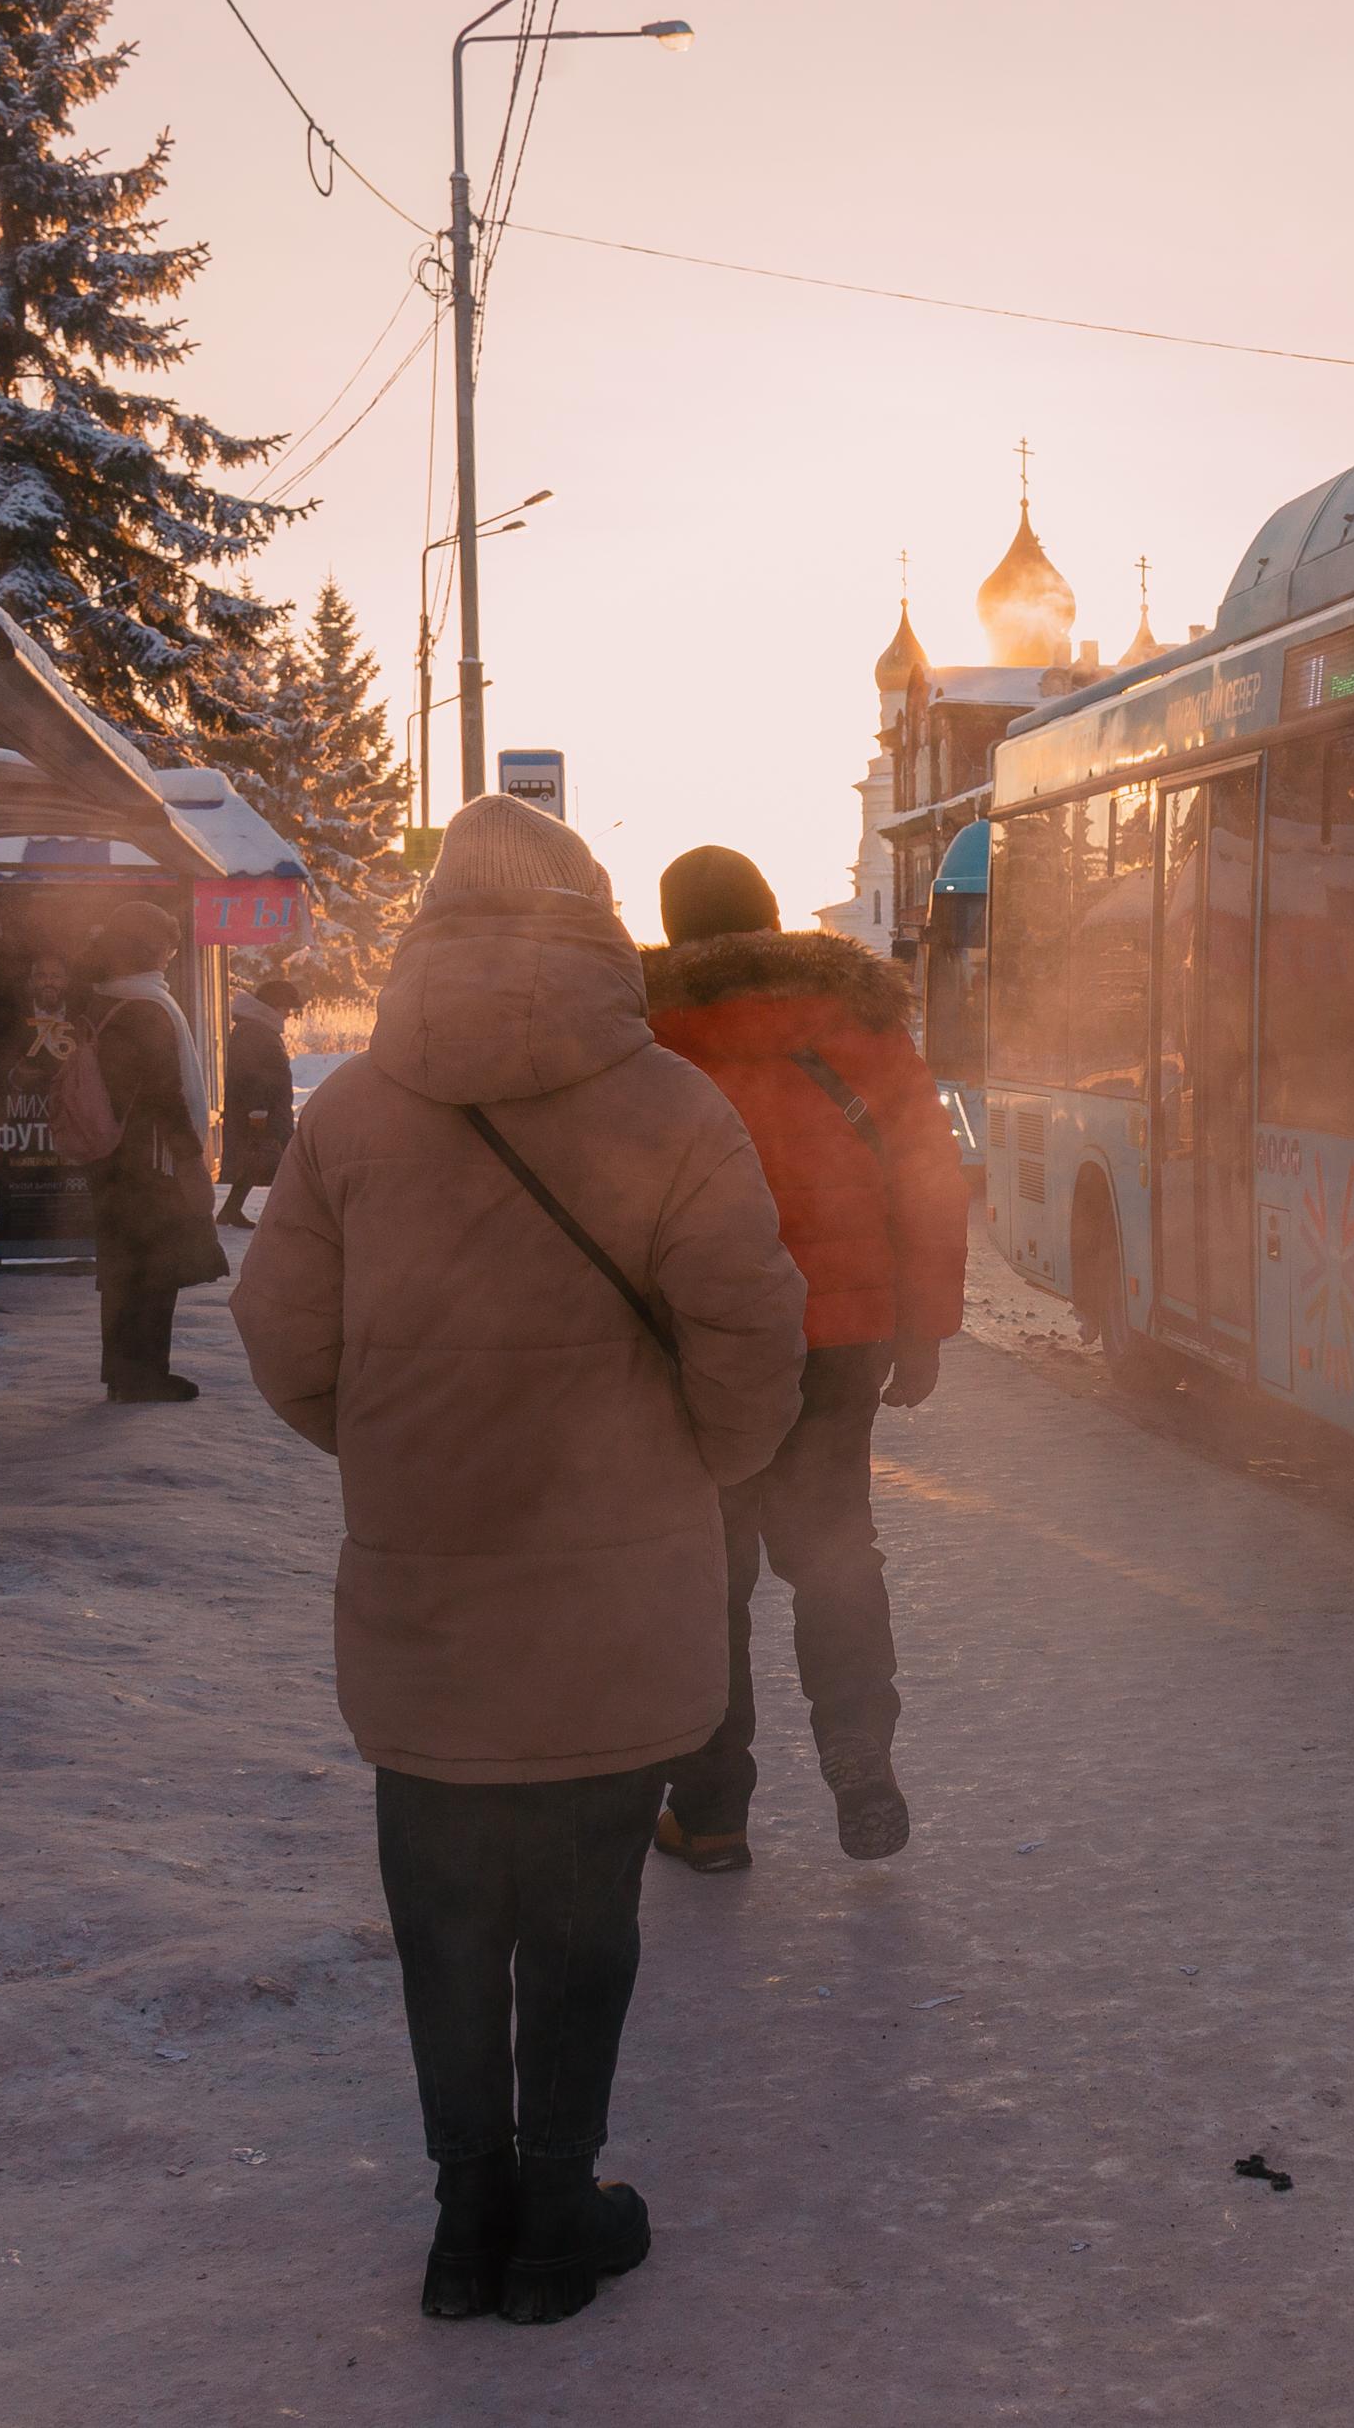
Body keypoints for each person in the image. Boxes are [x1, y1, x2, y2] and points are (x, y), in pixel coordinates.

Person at [232, 794, 806, 2325]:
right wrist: (704, 1463)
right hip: (619, 1602)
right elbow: (756, 1336)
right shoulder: (673, 1109)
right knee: (582, 1909)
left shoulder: (352, 1113)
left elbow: (279, 1339)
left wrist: (395, 1452)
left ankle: (460, 2212)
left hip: (426, 1594)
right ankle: (559, 2209)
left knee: (442, 1910)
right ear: (588, 914)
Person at [642, 843, 968, 1871]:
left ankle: (711, 1812)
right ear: (775, 914)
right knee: (833, 1549)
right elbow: (925, 1175)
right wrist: (922, 1327)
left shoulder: (647, 1034)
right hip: (844, 1331)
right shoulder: (860, 1020)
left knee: (706, 1573)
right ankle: (858, 1747)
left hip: (697, 1343)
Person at [83, 903, 230, 1401]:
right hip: (149, 1162)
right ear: (147, 947)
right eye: (166, 943)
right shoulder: (147, 1007)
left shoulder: (109, 1000)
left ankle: (124, 1373)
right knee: (153, 1270)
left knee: (125, 1270)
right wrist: (190, 1158)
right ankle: (143, 1374)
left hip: (116, 1163)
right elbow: (165, 1095)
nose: (171, 953)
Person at [216, 967, 303, 1229]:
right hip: (262, 1113)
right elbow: (252, 1076)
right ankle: (289, 1217)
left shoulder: (256, 1029)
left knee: (256, 1164)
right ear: (275, 1004)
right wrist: (259, 1115)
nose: (289, 1013)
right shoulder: (256, 1031)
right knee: (284, 1164)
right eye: (287, 1007)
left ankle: (231, 1211)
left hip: (265, 1111)